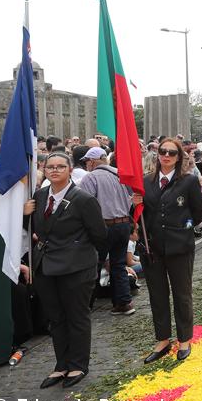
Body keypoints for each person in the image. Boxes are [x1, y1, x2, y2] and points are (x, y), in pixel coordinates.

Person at [24, 152, 107, 388]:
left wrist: (86, 258)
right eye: (50, 167)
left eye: (61, 166)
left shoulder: (83, 199)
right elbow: (33, 229)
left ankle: (78, 364)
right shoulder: (39, 196)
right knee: (56, 319)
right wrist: (24, 215)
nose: (55, 170)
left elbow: (99, 235)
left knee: (77, 317)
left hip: (76, 268)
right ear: (44, 169)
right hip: (46, 267)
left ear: (70, 169)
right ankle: (62, 365)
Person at [132, 138, 202, 363]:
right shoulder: (145, 182)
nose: (166, 156)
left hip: (179, 247)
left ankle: (184, 339)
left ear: (179, 157)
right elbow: (137, 215)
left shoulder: (189, 182)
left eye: (172, 153)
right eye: (163, 151)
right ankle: (162, 339)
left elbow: (198, 214)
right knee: (157, 295)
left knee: (182, 294)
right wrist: (134, 204)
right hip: (152, 248)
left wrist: (185, 230)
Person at [77, 146, 136, 315]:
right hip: (123, 224)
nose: (86, 164)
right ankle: (123, 302)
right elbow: (133, 198)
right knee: (118, 263)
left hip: (104, 225)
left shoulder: (91, 178)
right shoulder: (120, 174)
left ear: (93, 161)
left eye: (87, 161)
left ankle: (86, 304)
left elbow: (85, 204)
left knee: (94, 264)